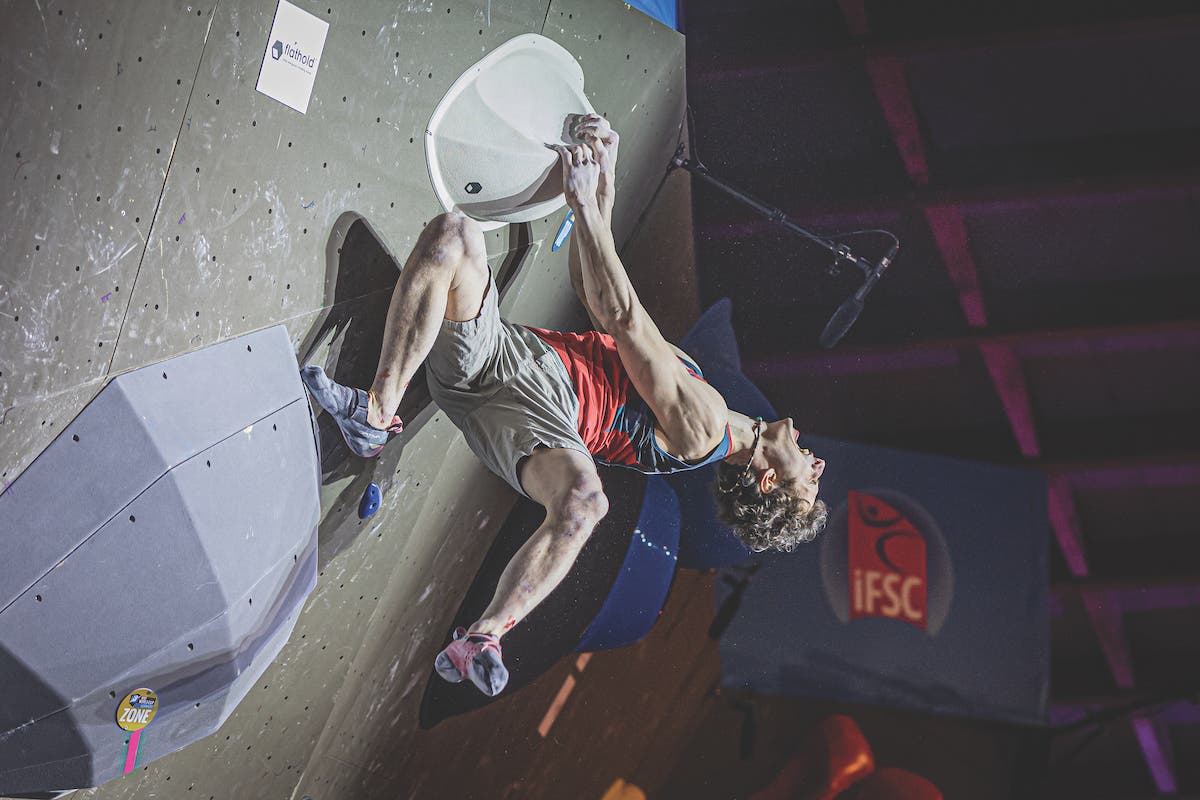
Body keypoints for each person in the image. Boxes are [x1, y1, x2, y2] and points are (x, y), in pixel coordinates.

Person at [300, 116, 827, 697]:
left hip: (541, 418)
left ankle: (484, 636)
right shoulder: (708, 395)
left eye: (811, 482)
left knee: (586, 500)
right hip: (498, 355)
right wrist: (603, 180)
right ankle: (376, 415)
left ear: (769, 480)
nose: (818, 464)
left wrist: (589, 200)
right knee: (453, 234)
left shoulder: (704, 430)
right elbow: (599, 300)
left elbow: (623, 313)